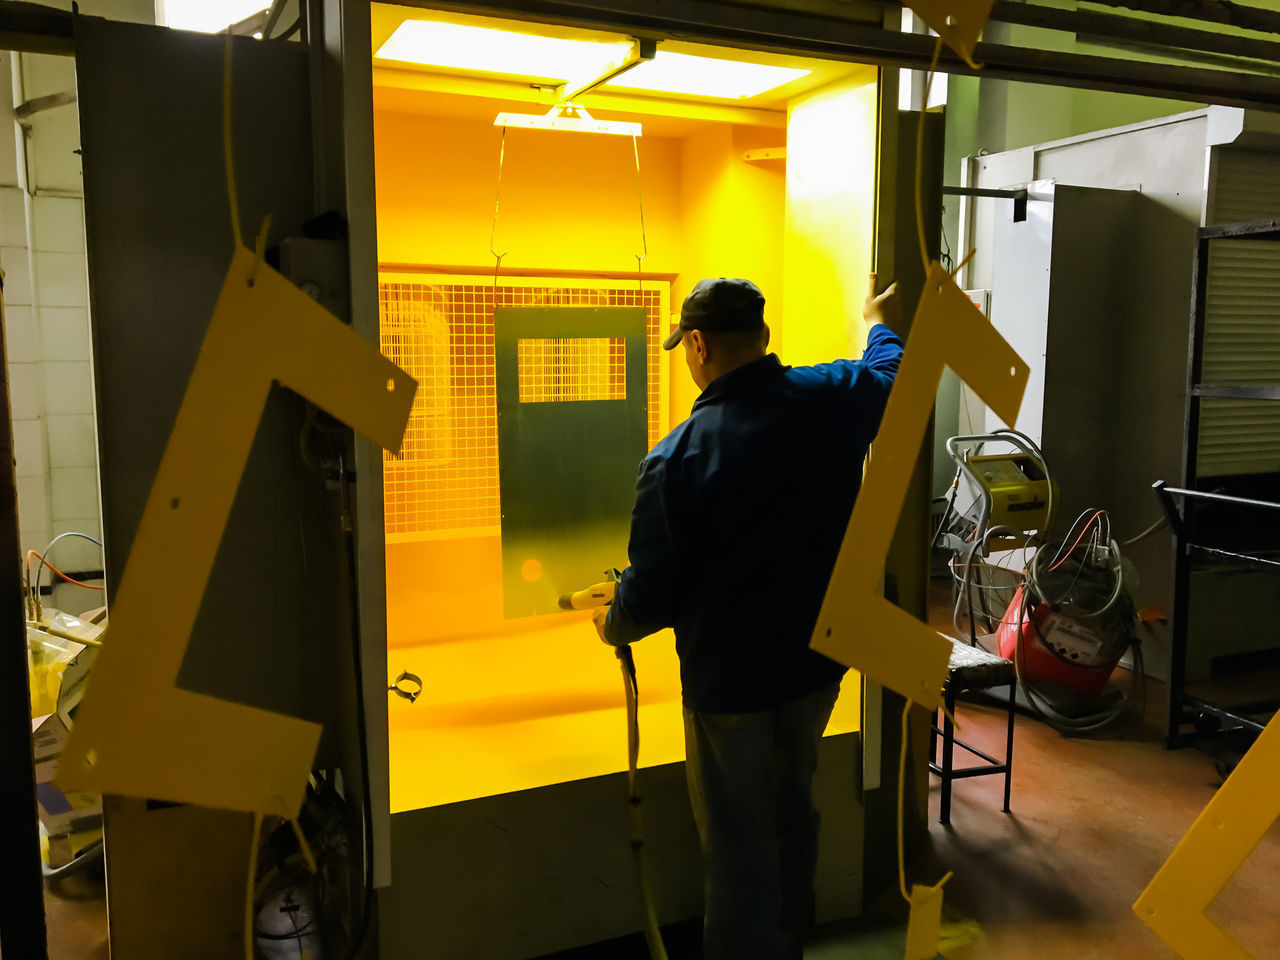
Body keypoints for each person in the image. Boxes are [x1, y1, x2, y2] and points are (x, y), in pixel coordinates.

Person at [595, 274, 904, 960]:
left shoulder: (674, 459)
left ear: (697, 343)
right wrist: (877, 318)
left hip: (730, 685)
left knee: (738, 846)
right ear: (763, 337)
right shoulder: (834, 399)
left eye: (685, 345)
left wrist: (611, 620)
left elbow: (650, 595)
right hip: (817, 665)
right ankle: (791, 943)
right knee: (795, 809)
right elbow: (892, 370)